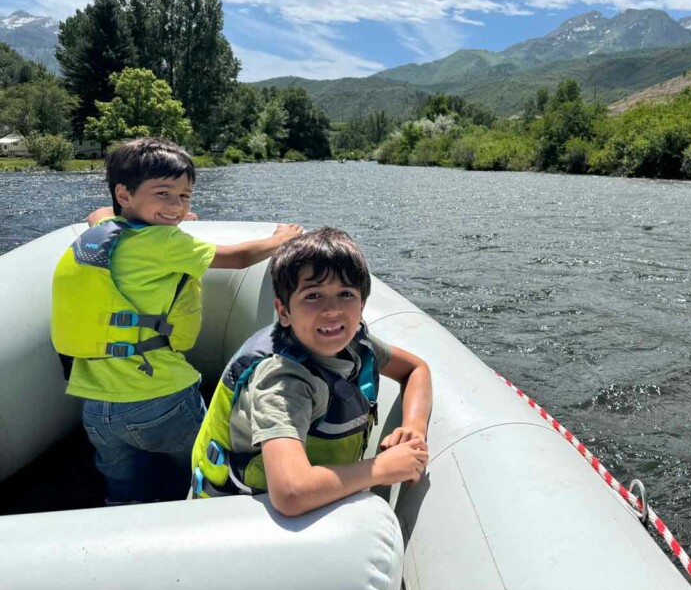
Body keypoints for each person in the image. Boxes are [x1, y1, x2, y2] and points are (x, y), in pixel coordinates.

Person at [51, 137, 304, 504]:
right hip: (162, 401)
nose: (176, 206)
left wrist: (164, 214)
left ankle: (122, 517)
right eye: (163, 194)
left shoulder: (102, 235)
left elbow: (98, 214)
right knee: (207, 467)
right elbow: (239, 257)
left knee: (122, 488)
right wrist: (280, 238)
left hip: (96, 408)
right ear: (124, 194)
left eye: (184, 198)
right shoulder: (168, 244)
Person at [190, 227, 431, 517]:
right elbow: (290, 493)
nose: (332, 310)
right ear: (283, 311)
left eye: (345, 294)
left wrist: (413, 428)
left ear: (362, 304)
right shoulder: (281, 380)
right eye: (313, 295)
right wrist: (381, 469)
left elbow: (416, 369)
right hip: (242, 517)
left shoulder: (356, 343)